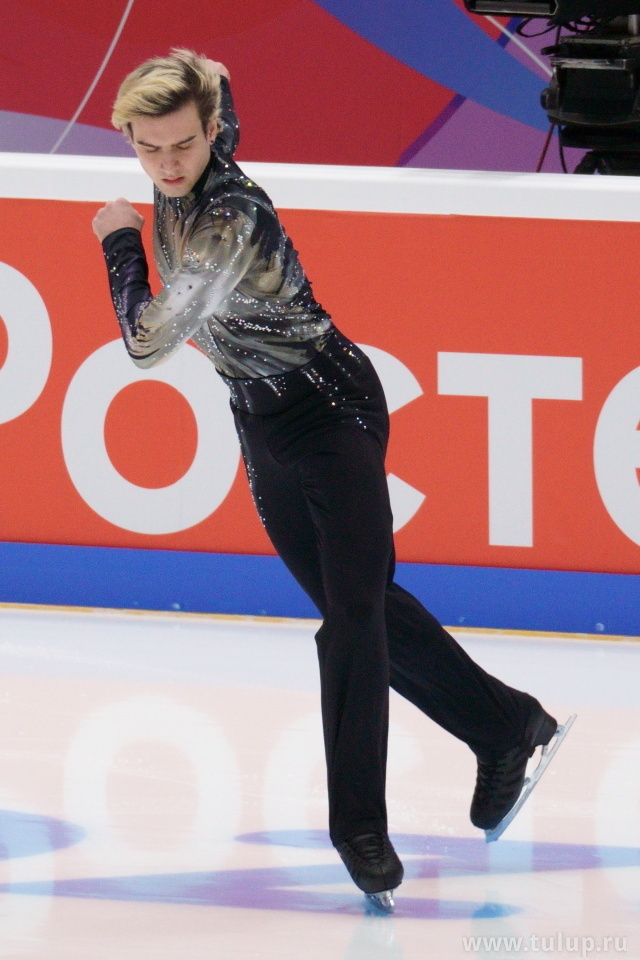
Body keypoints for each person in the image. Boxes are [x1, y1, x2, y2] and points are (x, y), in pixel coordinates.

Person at [92, 49, 569, 911]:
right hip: (260, 421)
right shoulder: (193, 145)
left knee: (349, 623)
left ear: (210, 135)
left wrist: (121, 243)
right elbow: (219, 77)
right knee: (363, 602)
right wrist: (200, 74)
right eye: (149, 147)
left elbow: (147, 341)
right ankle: (506, 726)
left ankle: (360, 831)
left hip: (332, 408)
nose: (168, 164)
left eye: (185, 145)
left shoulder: (229, 217)